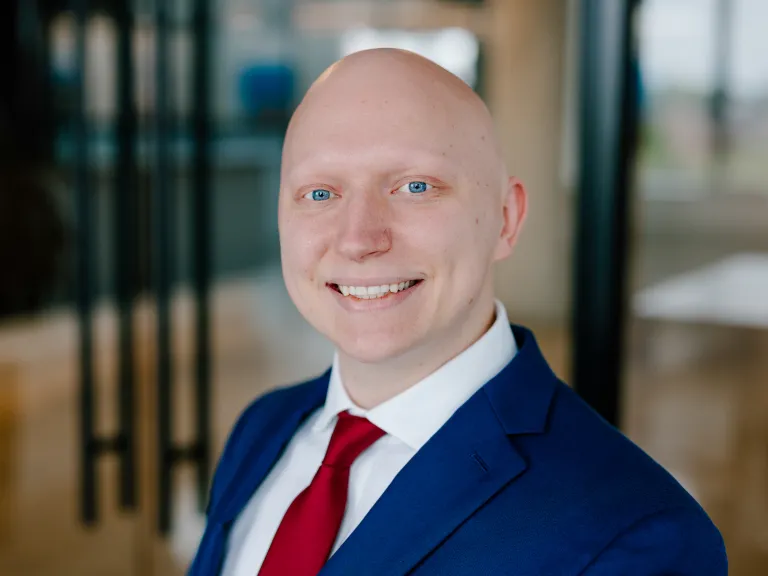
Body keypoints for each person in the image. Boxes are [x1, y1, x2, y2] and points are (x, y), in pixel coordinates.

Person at [189, 49, 727, 576]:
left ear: (505, 219)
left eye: (415, 187)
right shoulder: (264, 428)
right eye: (320, 192)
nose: (358, 239)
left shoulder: (638, 535)